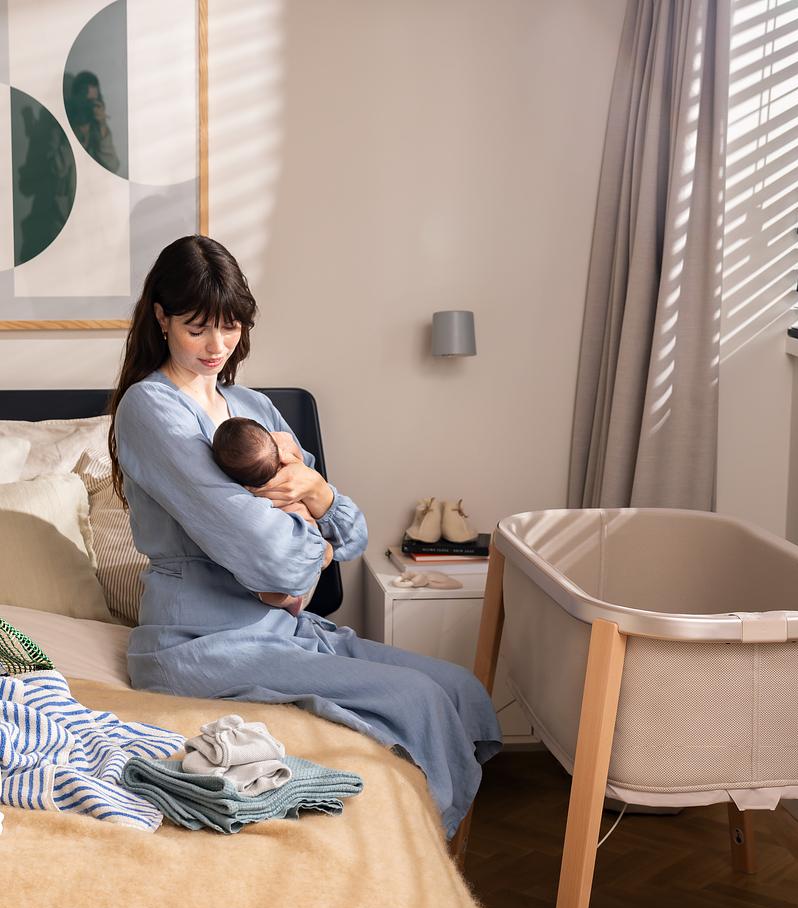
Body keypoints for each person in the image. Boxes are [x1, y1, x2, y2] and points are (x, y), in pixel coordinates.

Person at [107, 235, 502, 839]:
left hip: (284, 629)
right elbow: (268, 555)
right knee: (418, 699)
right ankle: (428, 853)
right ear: (161, 318)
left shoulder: (253, 406)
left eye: (231, 327)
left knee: (458, 688)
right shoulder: (150, 408)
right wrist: (311, 543)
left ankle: (445, 841)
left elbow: (349, 531)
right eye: (197, 329)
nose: (217, 347)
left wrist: (318, 501)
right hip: (199, 642)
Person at [211, 416, 319, 616]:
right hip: (305, 531)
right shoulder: (286, 455)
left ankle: (288, 599)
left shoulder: (247, 488)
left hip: (301, 546)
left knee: (257, 580)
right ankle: (292, 596)